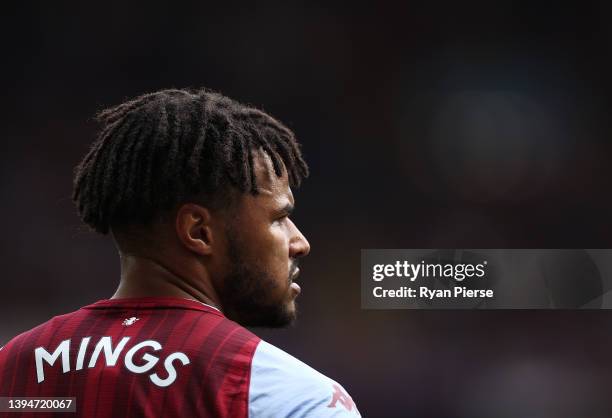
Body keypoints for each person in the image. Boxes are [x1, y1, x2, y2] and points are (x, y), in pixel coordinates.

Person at [0, 88, 360, 417]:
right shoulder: (292, 397)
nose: (300, 243)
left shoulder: (11, 369)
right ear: (198, 232)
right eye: (279, 218)